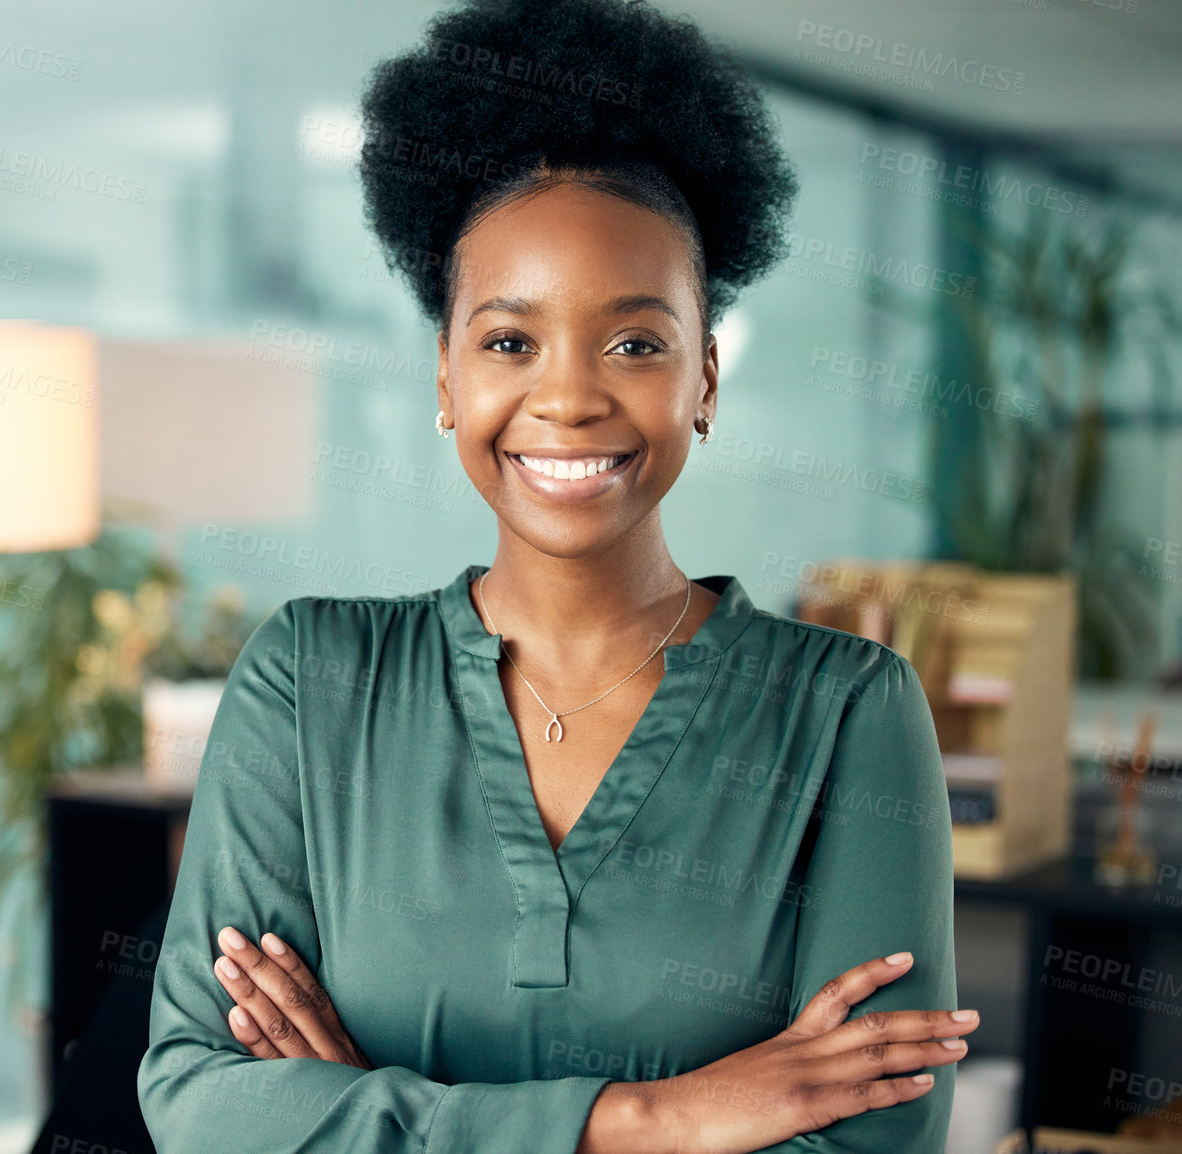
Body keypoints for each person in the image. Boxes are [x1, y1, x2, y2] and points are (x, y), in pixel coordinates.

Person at [137, 0, 974, 1150]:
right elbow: (201, 1101)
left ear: (707, 379)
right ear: (445, 372)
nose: (570, 396)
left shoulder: (848, 714)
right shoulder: (310, 680)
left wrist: (368, 1113)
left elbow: (867, 1142)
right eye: (510, 340)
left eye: (635, 342)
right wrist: (658, 1117)